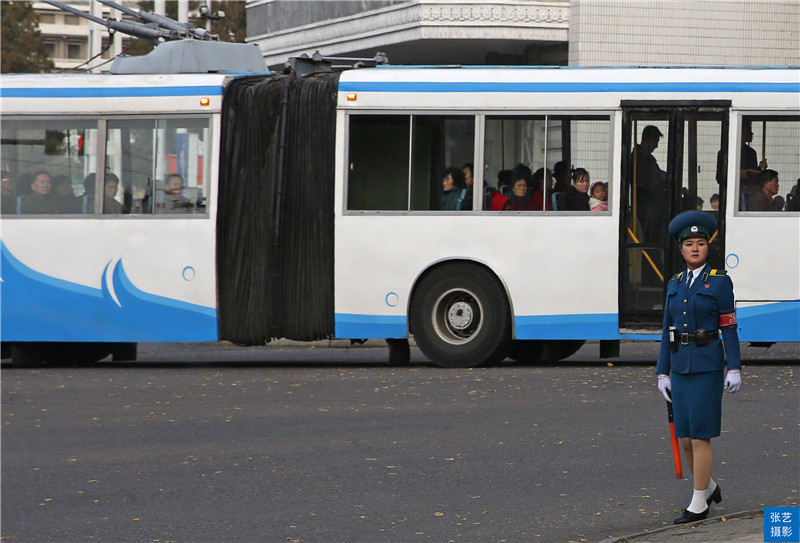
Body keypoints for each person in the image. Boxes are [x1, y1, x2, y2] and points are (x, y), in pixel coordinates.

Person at [656, 210, 741, 525]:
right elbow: (667, 331)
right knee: (685, 438)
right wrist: (662, 371)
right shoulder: (674, 284)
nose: (695, 248)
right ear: (680, 249)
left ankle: (698, 503)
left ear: (708, 247)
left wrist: (733, 367)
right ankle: (710, 486)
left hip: (706, 365)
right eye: (689, 243)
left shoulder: (719, 282)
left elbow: (729, 326)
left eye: (700, 243)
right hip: (679, 366)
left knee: (701, 436)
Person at [633, 125, 668, 241]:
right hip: (647, 208)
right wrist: (661, 177)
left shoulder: (643, 157)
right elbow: (650, 181)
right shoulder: (642, 157)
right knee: (650, 240)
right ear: (648, 139)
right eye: (656, 141)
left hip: (646, 206)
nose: (657, 146)